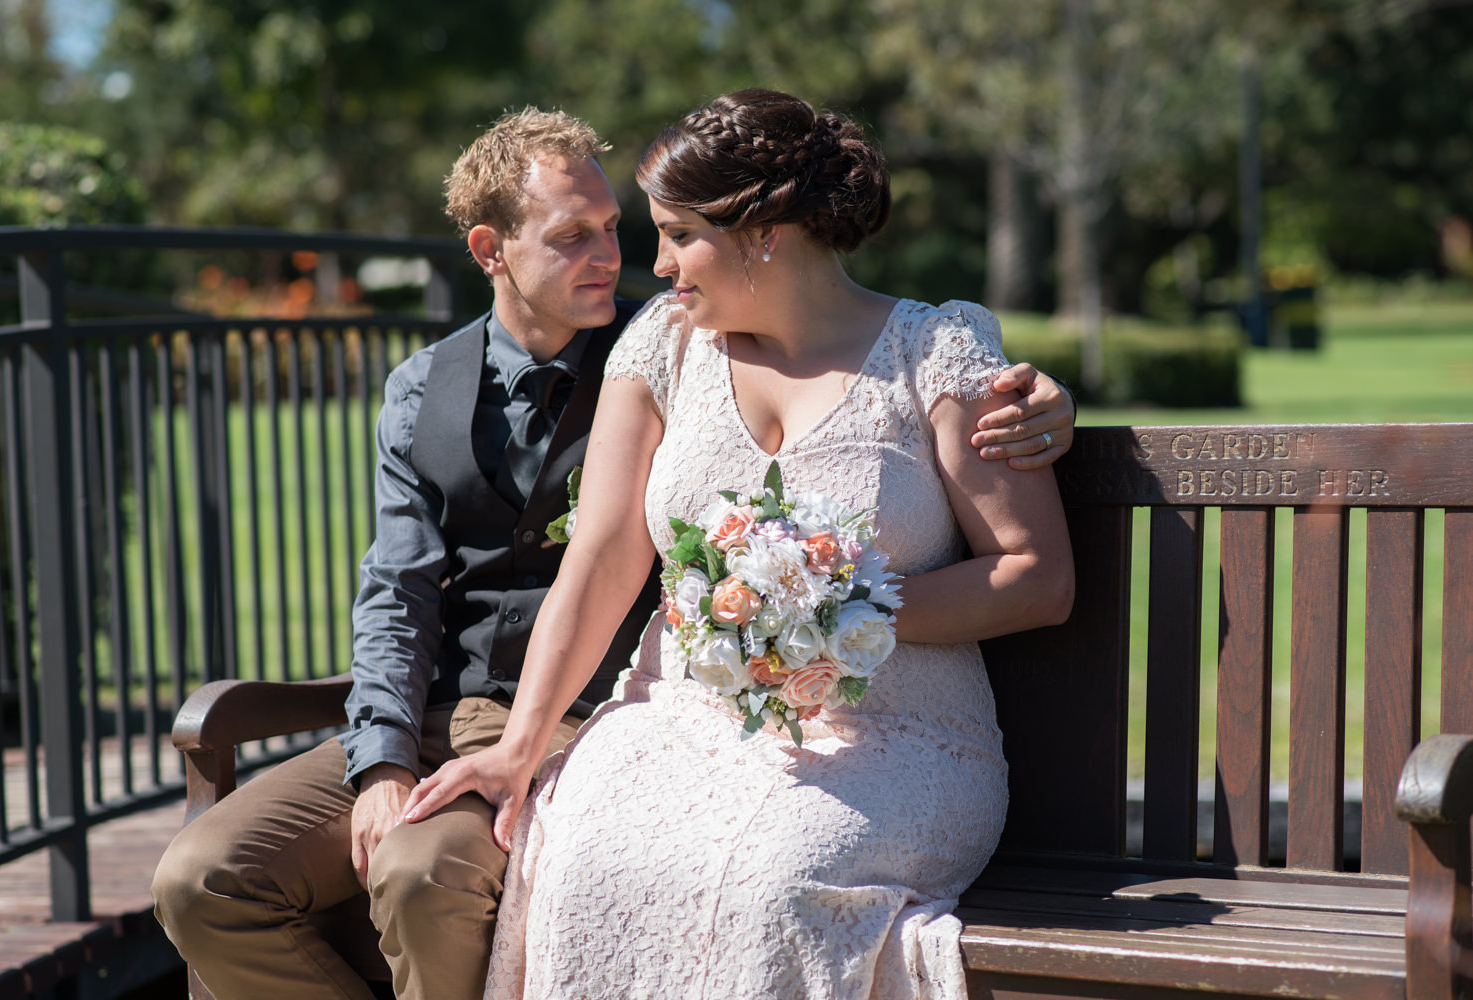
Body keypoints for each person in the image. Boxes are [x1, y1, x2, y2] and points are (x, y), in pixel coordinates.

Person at [151, 105, 1075, 1000]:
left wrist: (828, 613)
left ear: (761, 231)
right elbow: (480, 575)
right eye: (580, 236)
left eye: (649, 231)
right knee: (226, 875)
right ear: (491, 249)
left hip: (796, 728)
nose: (639, 261)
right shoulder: (610, 352)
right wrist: (422, 756)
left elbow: (1030, 567)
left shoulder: (889, 342)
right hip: (576, 722)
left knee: (720, 882)